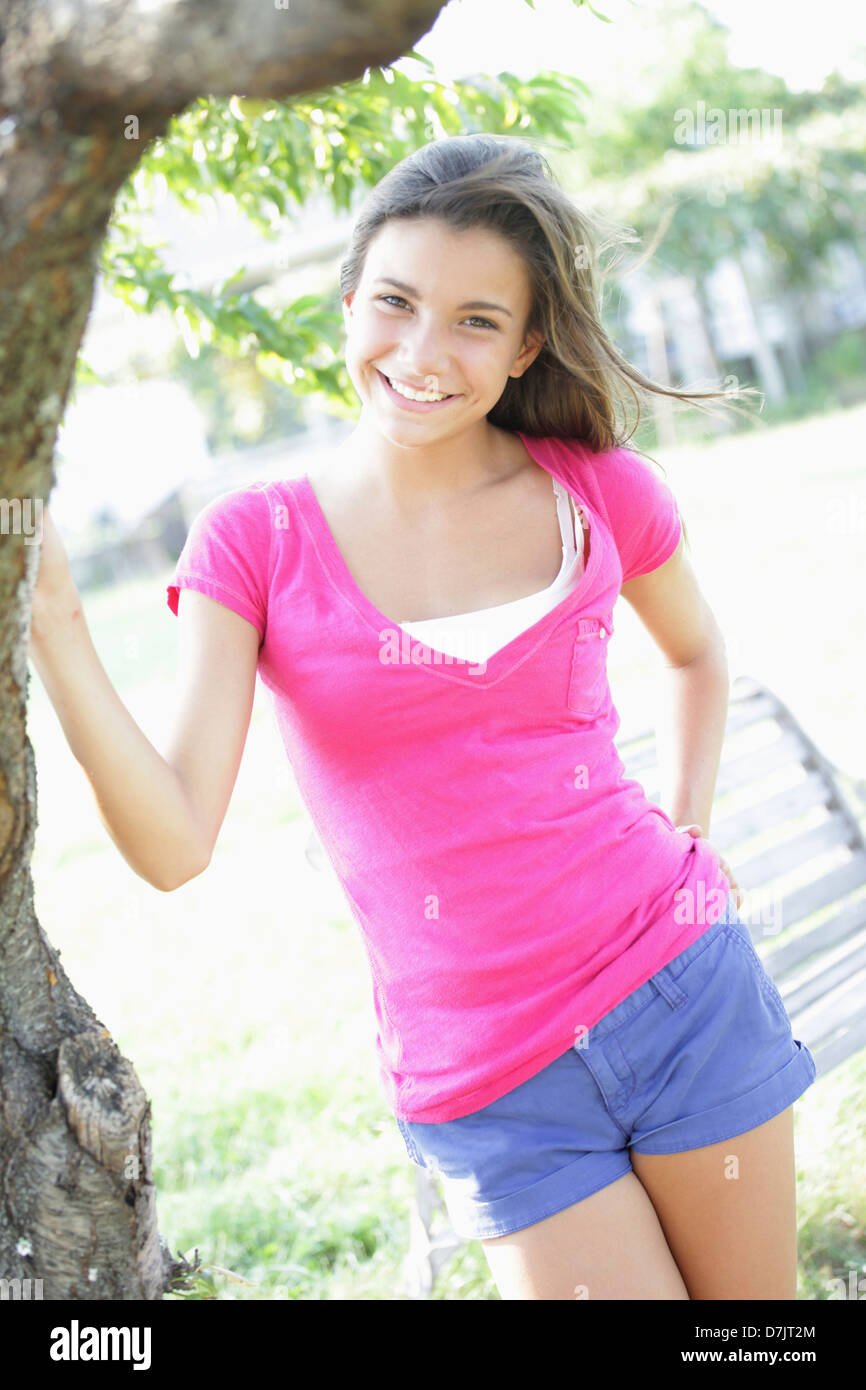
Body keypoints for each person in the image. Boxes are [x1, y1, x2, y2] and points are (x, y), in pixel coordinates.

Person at [30, 133, 816, 1301]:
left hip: (679, 988)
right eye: (394, 301)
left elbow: (695, 653)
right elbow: (175, 841)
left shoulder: (593, 492)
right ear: (349, 300)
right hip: (490, 1076)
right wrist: (55, 623)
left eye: (475, 321)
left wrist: (689, 831)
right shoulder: (256, 540)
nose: (420, 351)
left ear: (525, 346)